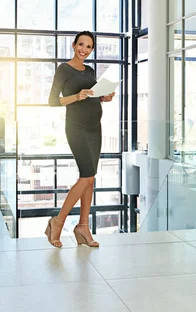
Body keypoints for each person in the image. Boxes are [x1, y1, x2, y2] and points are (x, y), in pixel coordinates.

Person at [45, 31, 115, 248]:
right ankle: (57, 222)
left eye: (89, 46)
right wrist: (76, 96)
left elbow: (91, 96)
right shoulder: (64, 69)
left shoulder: (90, 70)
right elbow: (52, 101)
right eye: (81, 44)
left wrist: (102, 97)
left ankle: (83, 227)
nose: (84, 49)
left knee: (91, 178)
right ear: (74, 45)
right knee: (86, 177)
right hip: (77, 128)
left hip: (96, 128)